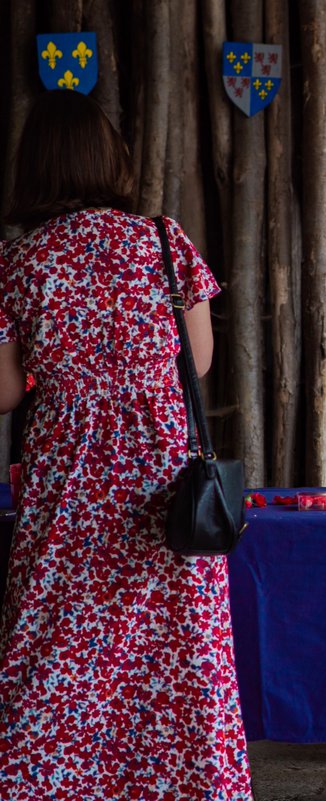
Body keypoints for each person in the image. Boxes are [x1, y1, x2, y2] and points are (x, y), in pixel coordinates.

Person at [0, 91, 252, 799]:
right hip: (167, 494)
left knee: (54, 662)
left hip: (69, 495)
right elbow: (196, 360)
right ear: (109, 159)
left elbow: (7, 391)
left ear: (36, 168)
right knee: (177, 661)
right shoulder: (167, 242)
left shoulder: (20, 262)